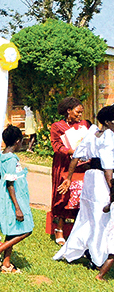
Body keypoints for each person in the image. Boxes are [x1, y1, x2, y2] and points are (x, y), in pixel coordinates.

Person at [52, 105, 114, 268]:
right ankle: (98, 257)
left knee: (87, 217)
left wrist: (69, 178)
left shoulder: (93, 133)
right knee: (101, 219)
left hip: (90, 178)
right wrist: (112, 188)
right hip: (102, 179)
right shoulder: (109, 136)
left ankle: (85, 248)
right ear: (108, 122)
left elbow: (76, 156)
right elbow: (108, 166)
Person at [0, 125, 34, 274]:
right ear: (17, 141)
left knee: (12, 229)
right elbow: (10, 183)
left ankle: (6, 264)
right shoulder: (11, 159)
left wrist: (1, 195)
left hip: (6, 196)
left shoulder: (1, 156)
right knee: (27, 230)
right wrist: (17, 207)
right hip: (14, 198)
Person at [49, 96, 91, 245]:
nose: (80, 115)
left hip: (82, 165)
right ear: (68, 111)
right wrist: (70, 151)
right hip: (64, 165)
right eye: (77, 112)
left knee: (80, 195)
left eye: (81, 112)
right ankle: (59, 228)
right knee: (64, 195)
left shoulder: (85, 125)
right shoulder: (57, 127)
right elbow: (56, 145)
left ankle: (78, 230)